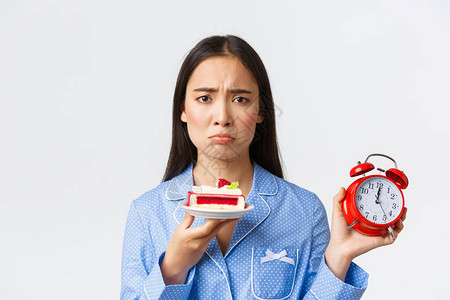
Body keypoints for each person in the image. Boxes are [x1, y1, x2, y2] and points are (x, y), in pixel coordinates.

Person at [120, 35, 407, 299]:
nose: (222, 116)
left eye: (240, 99)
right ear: (183, 109)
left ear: (260, 112)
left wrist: (340, 256)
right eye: (204, 98)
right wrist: (172, 269)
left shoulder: (304, 211)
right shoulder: (147, 213)